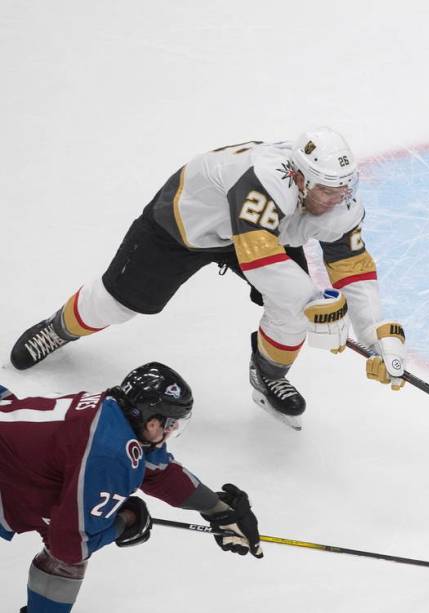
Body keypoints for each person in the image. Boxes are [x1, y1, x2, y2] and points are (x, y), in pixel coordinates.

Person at [9, 127, 407, 430]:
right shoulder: (267, 178)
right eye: (327, 190)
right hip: (185, 226)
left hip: (266, 231)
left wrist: (376, 335)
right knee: (118, 302)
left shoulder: (335, 198)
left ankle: (267, 377)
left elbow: (353, 264)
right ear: (299, 177)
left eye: (344, 187)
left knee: (293, 307)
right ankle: (59, 328)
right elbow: (258, 256)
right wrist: (313, 302)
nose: (338, 198)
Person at [0, 363, 263, 613]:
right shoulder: (112, 454)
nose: (172, 432)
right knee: (73, 544)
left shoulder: (111, 410)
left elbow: (158, 471)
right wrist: (126, 520)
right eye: (172, 424)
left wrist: (218, 509)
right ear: (153, 423)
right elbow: (70, 546)